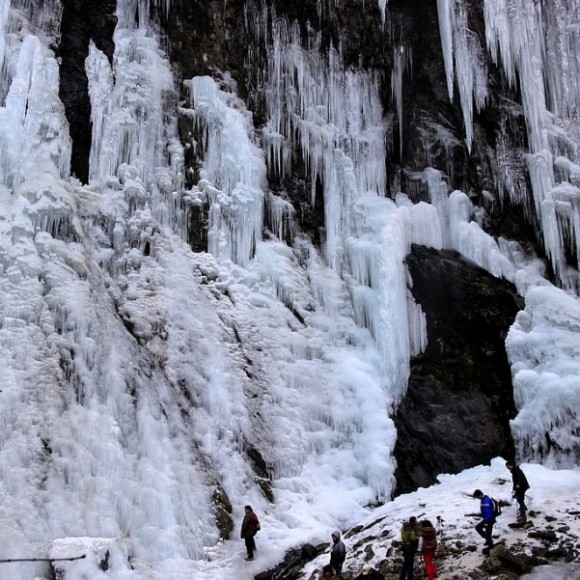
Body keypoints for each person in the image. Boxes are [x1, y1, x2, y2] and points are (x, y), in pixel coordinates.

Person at [506, 460, 530, 524]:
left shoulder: (516, 470)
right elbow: (515, 481)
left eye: (508, 467)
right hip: (521, 486)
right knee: (519, 498)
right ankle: (524, 508)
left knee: (520, 499)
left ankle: (523, 515)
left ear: (512, 465)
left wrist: (518, 485)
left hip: (522, 486)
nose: (508, 468)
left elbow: (519, 479)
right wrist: (514, 488)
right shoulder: (514, 470)